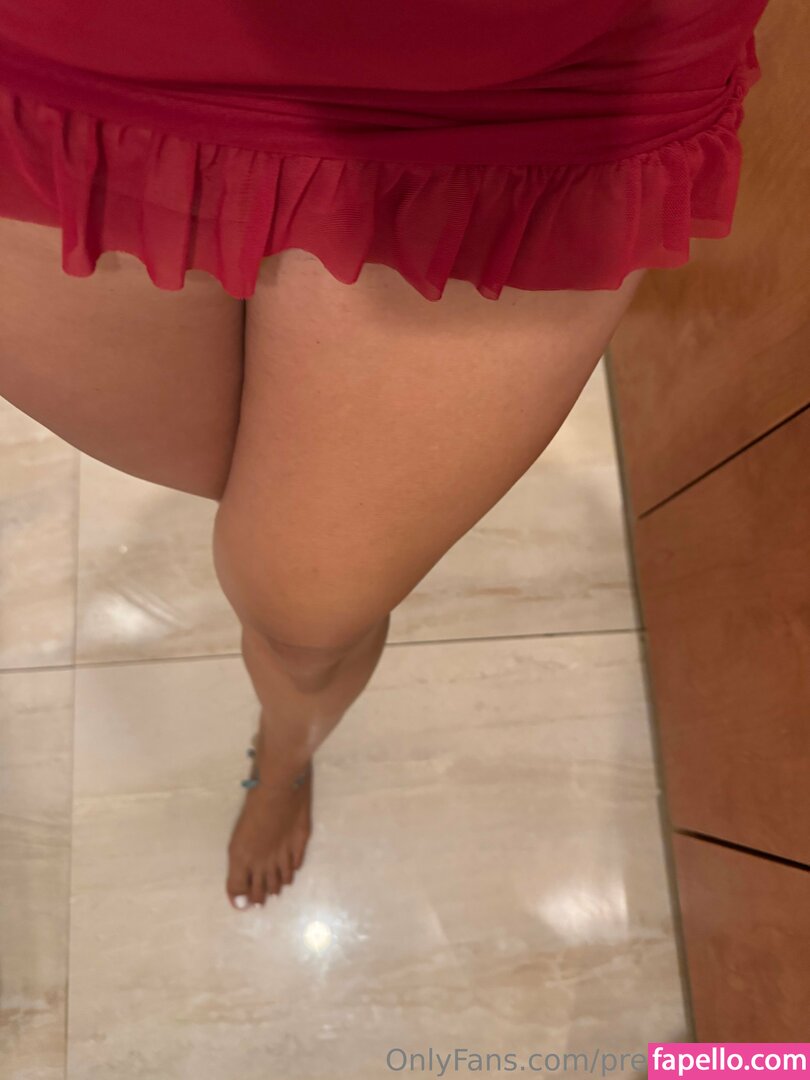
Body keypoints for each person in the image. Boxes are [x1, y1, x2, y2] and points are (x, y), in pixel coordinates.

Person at [0, 0, 768, 910]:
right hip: (65, 49)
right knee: (236, 481)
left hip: (528, 87)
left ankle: (284, 755)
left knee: (307, 609)